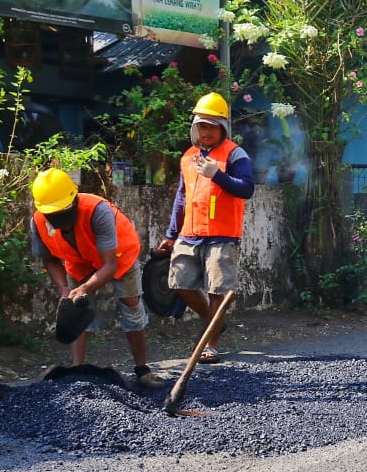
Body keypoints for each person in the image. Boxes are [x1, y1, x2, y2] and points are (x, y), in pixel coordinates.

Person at [29, 168, 165, 388]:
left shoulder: (97, 211)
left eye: (62, 212)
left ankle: (142, 371)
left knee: (130, 304)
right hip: (78, 261)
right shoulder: (38, 222)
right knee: (74, 307)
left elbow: (109, 266)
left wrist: (84, 289)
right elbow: (50, 260)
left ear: (73, 200)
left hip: (120, 255)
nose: (58, 220)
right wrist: (65, 290)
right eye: (52, 215)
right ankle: (76, 370)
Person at [156, 92, 255, 363]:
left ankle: (210, 344)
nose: (205, 130)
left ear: (222, 126)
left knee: (217, 290)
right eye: (201, 125)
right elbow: (181, 196)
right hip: (190, 233)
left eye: (211, 125)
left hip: (222, 234)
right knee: (179, 283)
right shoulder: (188, 157)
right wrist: (170, 234)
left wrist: (218, 175)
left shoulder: (235, 154)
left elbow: (247, 188)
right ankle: (214, 322)